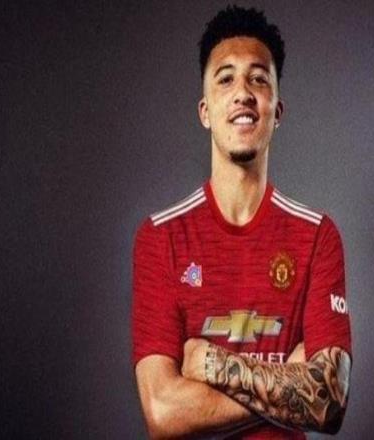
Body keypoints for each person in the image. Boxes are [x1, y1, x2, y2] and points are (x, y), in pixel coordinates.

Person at [132, 5, 352, 439]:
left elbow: (328, 399)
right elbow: (163, 412)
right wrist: (291, 383)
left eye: (258, 79)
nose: (243, 93)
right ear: (205, 112)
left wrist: (212, 365)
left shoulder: (317, 236)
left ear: (277, 111)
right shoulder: (160, 237)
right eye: (225, 78)